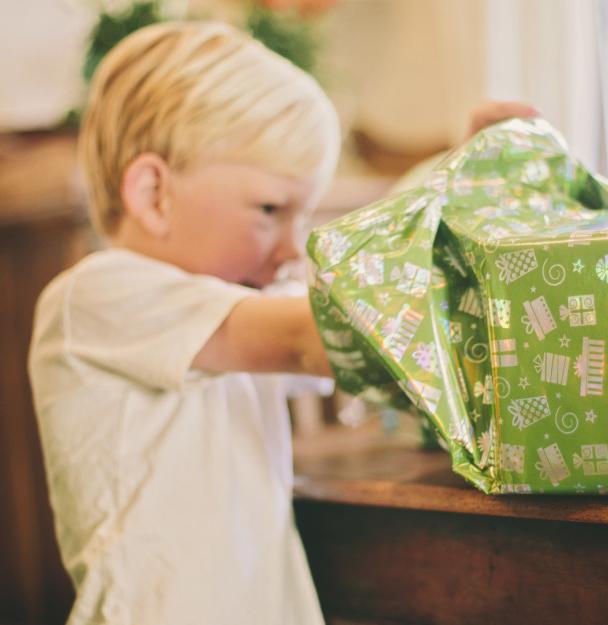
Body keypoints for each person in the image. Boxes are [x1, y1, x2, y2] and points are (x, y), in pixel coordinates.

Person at [27, 19, 536, 625]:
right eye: (270, 209)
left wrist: (461, 181)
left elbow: (339, 296)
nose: (292, 249)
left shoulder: (232, 306)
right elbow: (317, 335)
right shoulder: (96, 298)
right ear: (153, 193)